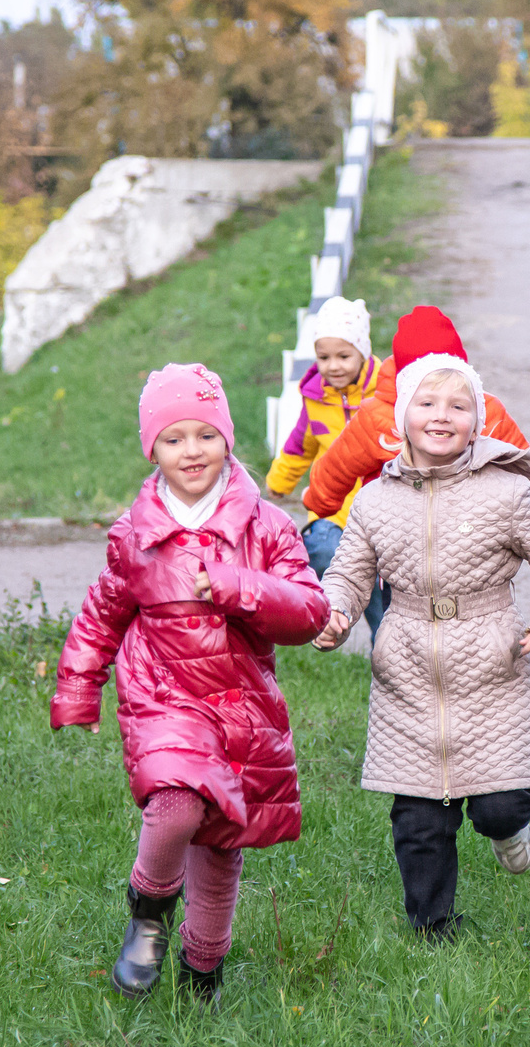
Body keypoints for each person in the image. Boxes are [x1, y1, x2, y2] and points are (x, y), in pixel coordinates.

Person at [51, 363, 329, 999]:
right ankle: (148, 913)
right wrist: (77, 688)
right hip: (163, 698)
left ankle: (203, 970)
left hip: (238, 706)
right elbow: (101, 615)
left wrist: (239, 587)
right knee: (176, 805)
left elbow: (309, 611)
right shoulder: (137, 536)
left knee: (221, 845)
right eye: (173, 439)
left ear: (227, 439)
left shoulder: (267, 527)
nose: (190, 451)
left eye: (204, 435)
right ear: (152, 449)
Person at [314, 351, 530, 939]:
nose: (442, 416)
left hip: (492, 664)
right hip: (408, 670)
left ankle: (509, 828)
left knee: (499, 804)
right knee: (420, 820)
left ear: (478, 420)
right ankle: (432, 929)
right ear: (402, 413)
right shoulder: (375, 501)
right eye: (427, 403)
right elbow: (348, 574)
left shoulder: (504, 494)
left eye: (458, 406)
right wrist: (333, 613)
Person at [300, 303, 530, 532]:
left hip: (469, 531)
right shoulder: (377, 416)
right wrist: (319, 505)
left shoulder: (487, 409)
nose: (440, 415)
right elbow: (338, 466)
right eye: (427, 401)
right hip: (397, 535)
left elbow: (521, 468)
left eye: (454, 402)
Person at [264, 293, 383, 590]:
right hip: (331, 505)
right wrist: (279, 482)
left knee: (381, 595)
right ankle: (324, 615)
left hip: (380, 507)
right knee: (321, 550)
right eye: (324, 357)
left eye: (344, 356)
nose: (333, 366)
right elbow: (299, 447)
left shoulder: (384, 393)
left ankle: (378, 631)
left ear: (363, 353)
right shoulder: (316, 397)